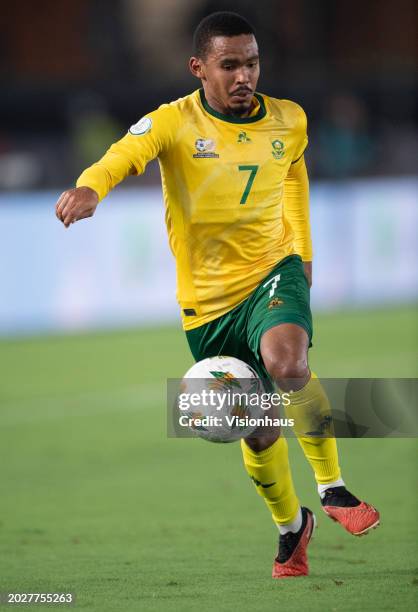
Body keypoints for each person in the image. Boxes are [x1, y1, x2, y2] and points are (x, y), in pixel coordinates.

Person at [55, 12, 379, 578]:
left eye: (251, 63)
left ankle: (334, 489)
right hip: (207, 305)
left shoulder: (289, 119)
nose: (243, 75)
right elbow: (120, 156)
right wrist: (90, 187)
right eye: (229, 65)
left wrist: (303, 255)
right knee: (255, 427)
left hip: (272, 268)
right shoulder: (172, 122)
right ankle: (290, 528)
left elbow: (294, 182)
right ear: (198, 68)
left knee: (288, 363)